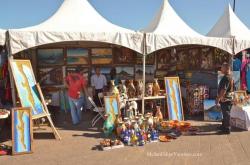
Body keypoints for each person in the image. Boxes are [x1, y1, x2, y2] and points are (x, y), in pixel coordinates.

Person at [216, 62, 233, 134]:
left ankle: (227, 129)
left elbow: (223, 90)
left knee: (226, 113)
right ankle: (224, 126)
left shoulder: (226, 78)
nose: (221, 69)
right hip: (227, 98)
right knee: (224, 113)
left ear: (226, 69)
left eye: (222, 68)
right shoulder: (228, 76)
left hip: (226, 99)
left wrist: (218, 98)